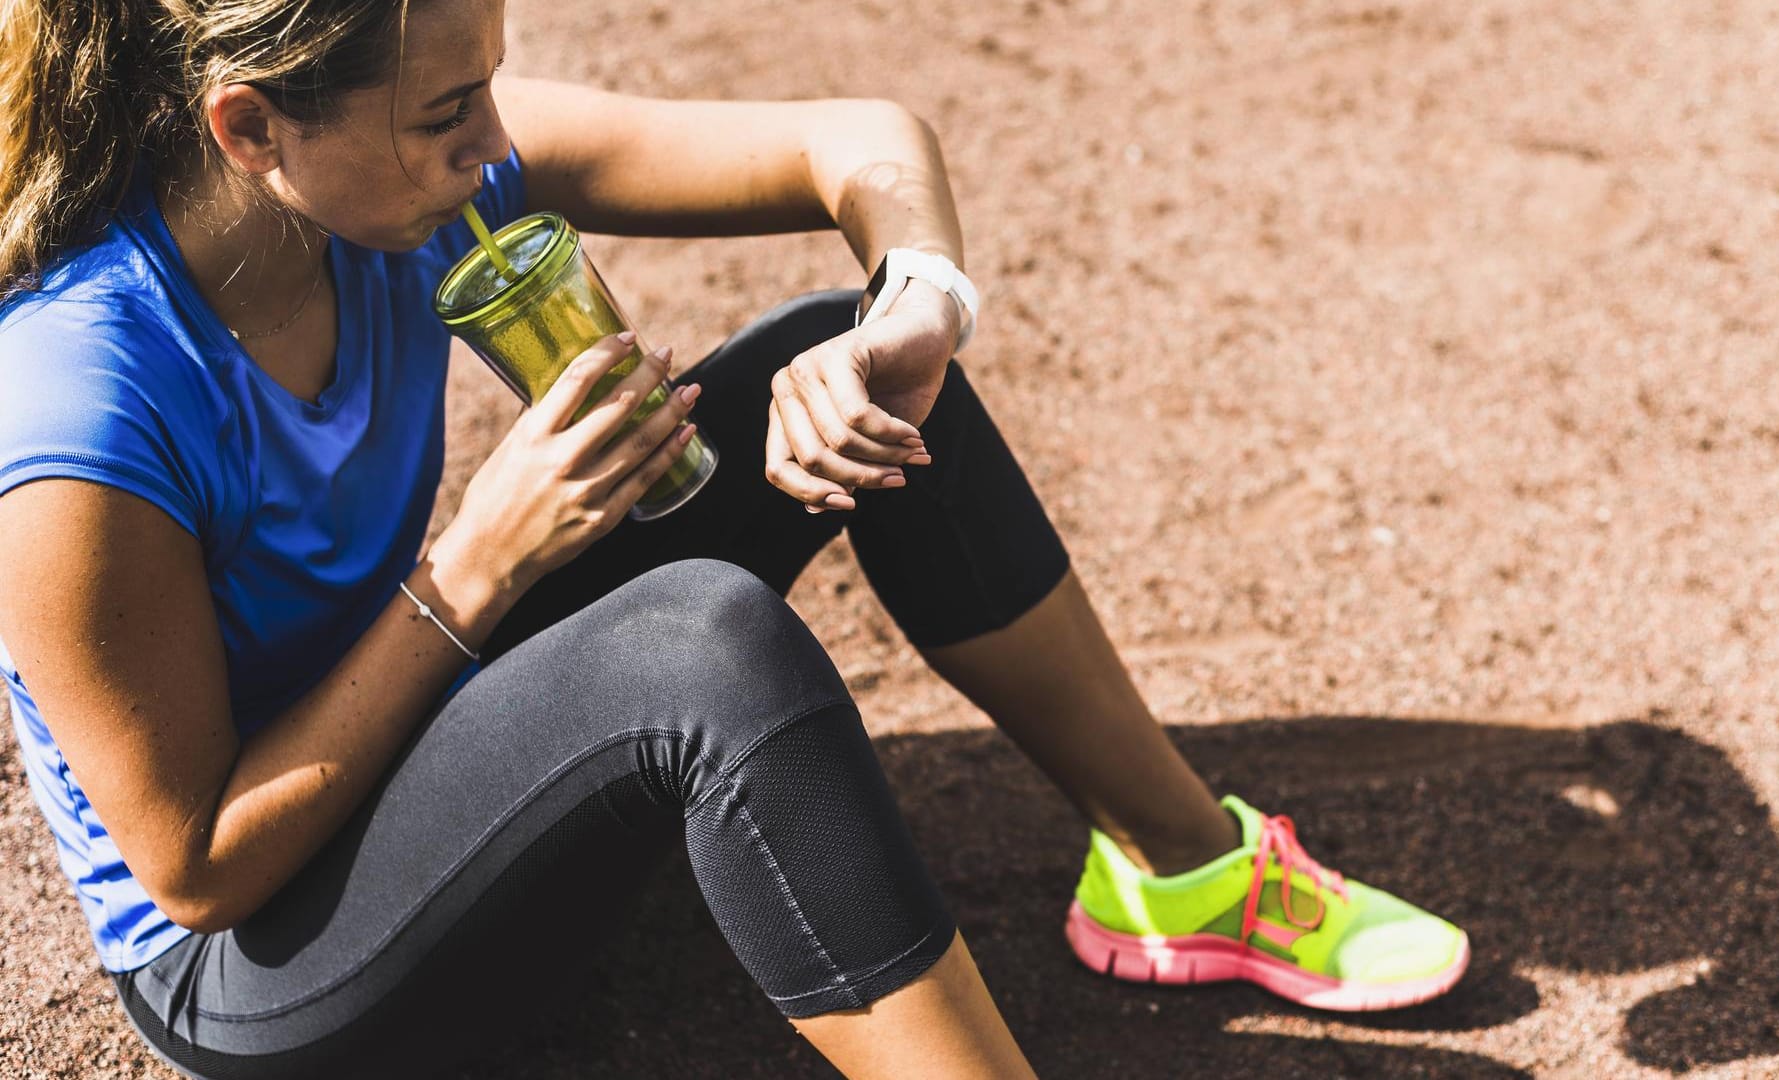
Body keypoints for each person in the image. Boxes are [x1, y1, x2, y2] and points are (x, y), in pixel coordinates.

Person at [0, 0, 1469, 1075]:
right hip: (272, 979)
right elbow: (193, 871)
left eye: (492, 85)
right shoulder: (79, 404)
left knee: (863, 361)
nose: (497, 143)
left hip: (419, 749)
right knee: (697, 648)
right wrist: (478, 565)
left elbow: (858, 146)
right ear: (249, 129)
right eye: (452, 116)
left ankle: (1184, 873)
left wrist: (919, 310)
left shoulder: (382, 182)